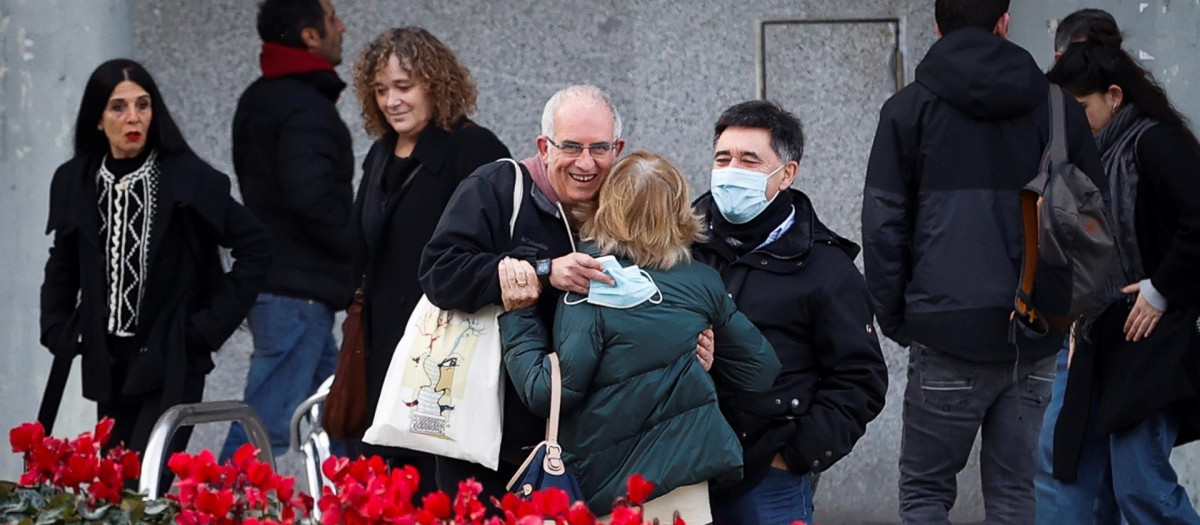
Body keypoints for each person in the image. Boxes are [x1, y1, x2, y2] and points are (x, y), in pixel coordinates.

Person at [861, 0, 1106, 523]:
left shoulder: (907, 110)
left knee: (927, 494)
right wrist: (1071, 312)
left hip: (944, 332)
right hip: (1034, 332)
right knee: (1016, 494)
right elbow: (1094, 225)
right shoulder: (1060, 109)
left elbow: (883, 225)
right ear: (1003, 24)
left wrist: (899, 318)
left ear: (937, 26)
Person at [497, 151, 781, 521]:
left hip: (612, 493)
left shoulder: (589, 281)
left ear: (607, 205)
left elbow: (548, 392)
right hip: (687, 483)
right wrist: (705, 359)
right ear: (680, 209)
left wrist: (518, 315)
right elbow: (760, 370)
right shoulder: (701, 280)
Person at [40, 59, 271, 461]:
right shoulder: (76, 180)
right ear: (97, 119)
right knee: (113, 485)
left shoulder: (187, 178)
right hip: (109, 364)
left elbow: (257, 246)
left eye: (143, 105)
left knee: (145, 485)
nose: (133, 118)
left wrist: (204, 327)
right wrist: (59, 327)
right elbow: (63, 260)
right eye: (118, 107)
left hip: (173, 358)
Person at [418, 84, 623, 498]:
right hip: (492, 449)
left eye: (599, 148)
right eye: (571, 147)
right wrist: (542, 271)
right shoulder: (496, 186)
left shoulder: (625, 201)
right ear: (544, 146)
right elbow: (439, 272)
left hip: (590, 447)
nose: (586, 163)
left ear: (617, 148)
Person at [694, 100, 888, 525]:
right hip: (681, 469)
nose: (731, 170)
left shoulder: (825, 266)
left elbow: (861, 378)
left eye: (749, 159)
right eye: (723, 158)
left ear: (787, 174)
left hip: (769, 479)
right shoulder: (679, 244)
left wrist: (796, 454)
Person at [1046, 36, 1200, 524]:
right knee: (1088, 486)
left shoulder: (1152, 142)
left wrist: (1160, 290)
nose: (1074, 119)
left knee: (1141, 485)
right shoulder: (1093, 154)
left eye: (1081, 106)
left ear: (1115, 95)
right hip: (1101, 337)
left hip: (1151, 339)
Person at [349, 26, 510, 494]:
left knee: (438, 488)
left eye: (404, 86)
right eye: (380, 90)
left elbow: (497, 247)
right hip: (384, 347)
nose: (391, 101)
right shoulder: (381, 154)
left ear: (435, 85)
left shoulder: (474, 149)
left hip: (445, 353)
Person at [222, 0, 355, 461]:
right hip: (295, 294)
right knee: (267, 425)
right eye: (332, 18)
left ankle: (357, 507)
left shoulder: (266, 97)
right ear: (310, 36)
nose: (342, 26)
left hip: (292, 291)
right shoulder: (302, 105)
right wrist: (360, 252)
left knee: (338, 418)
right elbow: (312, 197)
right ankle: (217, 507)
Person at [1033, 9, 1121, 523]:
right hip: (1077, 320)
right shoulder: (1055, 123)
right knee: (1067, 461)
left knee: (1099, 467)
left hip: (1109, 320)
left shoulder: (1132, 135)